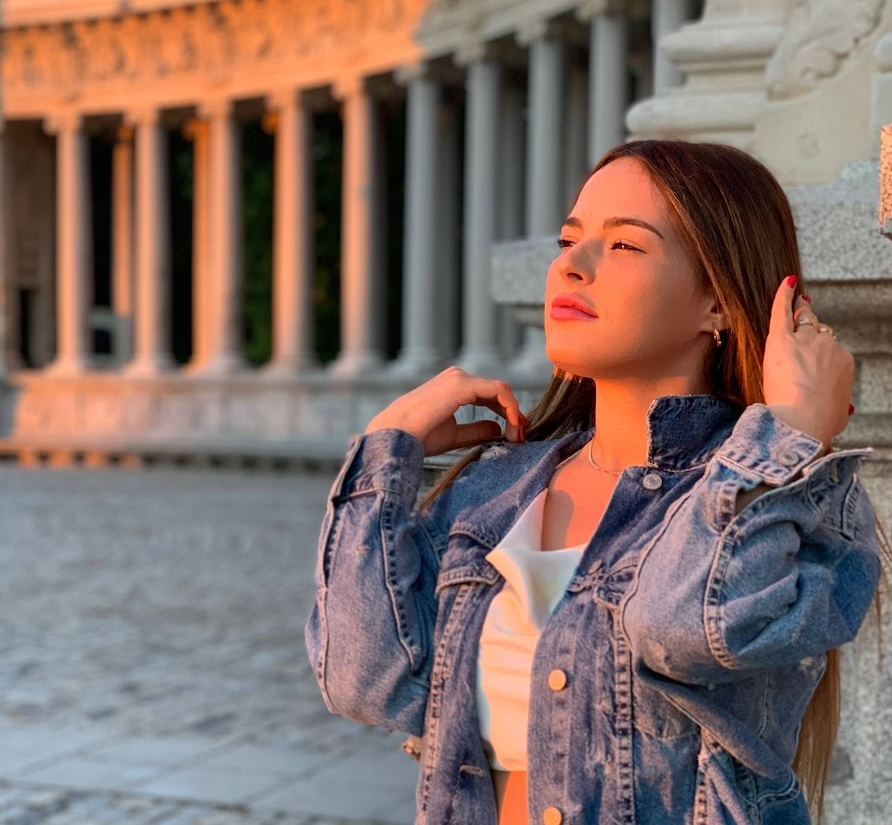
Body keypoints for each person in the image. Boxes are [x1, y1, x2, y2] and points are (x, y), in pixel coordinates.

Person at [305, 140, 886, 825]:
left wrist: (786, 434)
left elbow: (686, 627)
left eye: (624, 245)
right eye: (568, 239)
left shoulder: (787, 500)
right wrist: (385, 454)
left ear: (718, 304)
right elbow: (365, 681)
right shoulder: (495, 490)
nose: (570, 266)